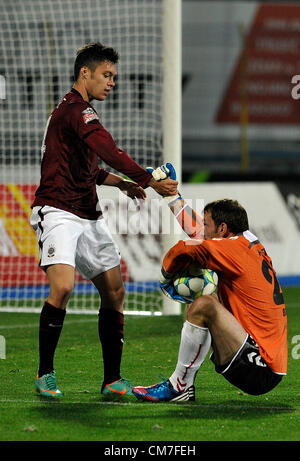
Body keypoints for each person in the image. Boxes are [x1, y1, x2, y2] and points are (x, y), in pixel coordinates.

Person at [30, 43, 178, 398]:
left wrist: (122, 183)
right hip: (58, 211)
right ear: (86, 73)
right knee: (63, 287)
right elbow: (108, 150)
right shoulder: (78, 112)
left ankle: (112, 379)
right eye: (106, 75)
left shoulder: (70, 114)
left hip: (88, 213)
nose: (112, 82)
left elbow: (88, 169)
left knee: (114, 291)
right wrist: (147, 179)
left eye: (114, 76)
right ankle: (44, 374)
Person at [132, 164, 287, 401]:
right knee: (205, 293)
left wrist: (165, 276)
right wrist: (173, 198)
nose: (203, 230)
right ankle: (184, 386)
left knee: (205, 302)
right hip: (260, 357)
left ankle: (179, 386)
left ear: (223, 228)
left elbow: (187, 247)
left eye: (208, 224)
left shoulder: (233, 249)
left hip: (259, 366)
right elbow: (198, 236)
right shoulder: (244, 243)